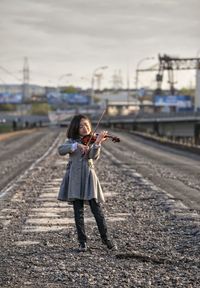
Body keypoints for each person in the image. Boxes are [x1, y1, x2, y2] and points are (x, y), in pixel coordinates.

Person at [58, 114, 117, 252]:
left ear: (90, 126)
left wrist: (97, 144)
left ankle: (106, 239)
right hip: (75, 179)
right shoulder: (71, 141)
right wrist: (76, 145)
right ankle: (82, 241)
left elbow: (93, 156)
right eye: (80, 126)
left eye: (86, 125)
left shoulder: (91, 141)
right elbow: (61, 150)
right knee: (78, 211)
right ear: (75, 128)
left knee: (97, 210)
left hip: (89, 177)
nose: (84, 128)